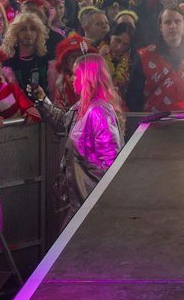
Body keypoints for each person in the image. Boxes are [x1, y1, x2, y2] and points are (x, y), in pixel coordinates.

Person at [37, 52, 126, 220]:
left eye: (76, 74)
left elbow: (110, 163)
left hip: (92, 207)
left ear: (88, 77)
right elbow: (64, 121)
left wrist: (101, 206)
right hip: (79, 201)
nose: (71, 79)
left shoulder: (99, 112)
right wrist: (42, 100)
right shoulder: (83, 106)